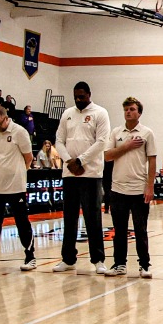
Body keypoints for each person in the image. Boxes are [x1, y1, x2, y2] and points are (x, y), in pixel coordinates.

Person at [51, 81, 111, 275]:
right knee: (69, 218)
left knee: (93, 218)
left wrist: (81, 161)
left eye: (82, 96)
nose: (78, 99)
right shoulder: (67, 114)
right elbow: (59, 140)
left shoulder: (100, 113)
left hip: (91, 174)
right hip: (70, 174)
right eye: (76, 96)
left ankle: (98, 260)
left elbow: (101, 142)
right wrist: (69, 161)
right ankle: (68, 259)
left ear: (89, 94)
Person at [0, 103, 37, 271]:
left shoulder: (20, 132)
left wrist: (18, 174)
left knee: (22, 222)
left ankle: (30, 255)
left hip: (16, 186)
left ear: (6, 118)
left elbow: (28, 157)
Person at [100, 97, 154, 278]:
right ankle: (119, 263)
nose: (128, 112)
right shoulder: (116, 133)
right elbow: (108, 156)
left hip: (139, 189)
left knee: (140, 229)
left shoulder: (147, 133)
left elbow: (152, 160)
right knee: (119, 229)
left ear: (139, 112)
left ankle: (145, 264)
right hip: (118, 190)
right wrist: (127, 145)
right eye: (126, 109)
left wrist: (150, 186)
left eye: (132, 109)